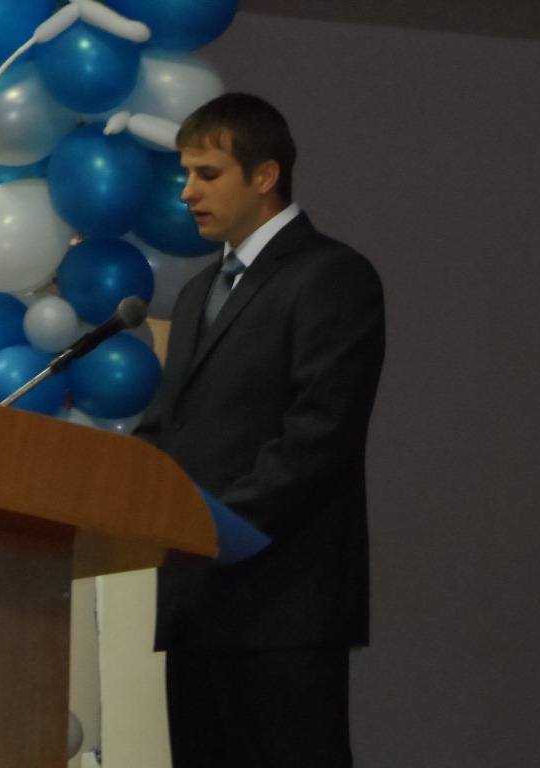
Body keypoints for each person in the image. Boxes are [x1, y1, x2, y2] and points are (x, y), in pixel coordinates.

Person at [132, 92, 386, 768]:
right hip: (195, 608)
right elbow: (165, 428)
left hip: (283, 608)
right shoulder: (197, 294)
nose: (187, 192)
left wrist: (210, 529)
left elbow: (319, 435)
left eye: (207, 174)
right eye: (185, 174)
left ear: (265, 175)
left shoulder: (332, 275)